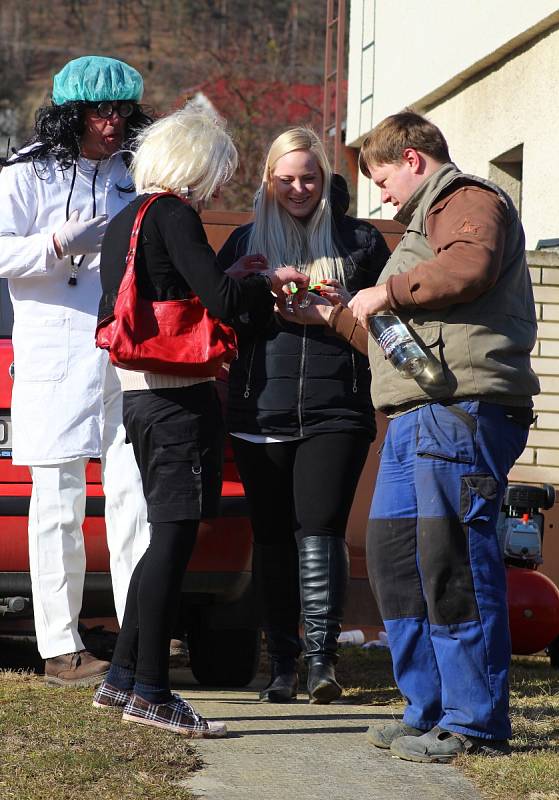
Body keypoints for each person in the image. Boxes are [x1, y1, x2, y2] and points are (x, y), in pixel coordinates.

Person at [286, 110, 539, 760]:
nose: (379, 193)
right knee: (397, 563)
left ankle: (475, 723)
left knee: (451, 556)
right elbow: (391, 338)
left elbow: (469, 267)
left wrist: (387, 289)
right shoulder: (419, 228)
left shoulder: (466, 201)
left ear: (413, 160)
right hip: (408, 416)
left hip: (459, 406)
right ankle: (426, 709)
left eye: (381, 175)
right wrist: (333, 315)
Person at [92, 106, 308, 736]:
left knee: (164, 537)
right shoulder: (175, 214)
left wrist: (231, 276)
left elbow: (168, 293)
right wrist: (269, 282)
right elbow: (221, 304)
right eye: (215, 172)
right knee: (174, 538)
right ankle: (153, 692)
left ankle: (123, 677)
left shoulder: (128, 217)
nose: (216, 187)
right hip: (179, 397)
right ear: (194, 165)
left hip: (139, 395)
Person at [216, 127, 390, 704]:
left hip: (334, 410)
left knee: (319, 529)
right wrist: (255, 298)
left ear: (325, 181)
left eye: (309, 178)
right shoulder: (244, 243)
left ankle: (321, 663)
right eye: (286, 179)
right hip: (256, 412)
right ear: (268, 181)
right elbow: (217, 321)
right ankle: (282, 665)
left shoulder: (360, 242)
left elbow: (388, 333)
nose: (298, 188)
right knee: (270, 538)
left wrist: (335, 314)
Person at [0, 56, 152, 686]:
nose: (112, 123)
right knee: (57, 501)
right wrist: (58, 243)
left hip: (123, 351)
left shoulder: (137, 173)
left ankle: (138, 637)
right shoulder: (25, 172)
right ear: (70, 114)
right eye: (99, 111)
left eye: (121, 111)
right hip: (53, 352)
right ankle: (61, 646)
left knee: (132, 495)